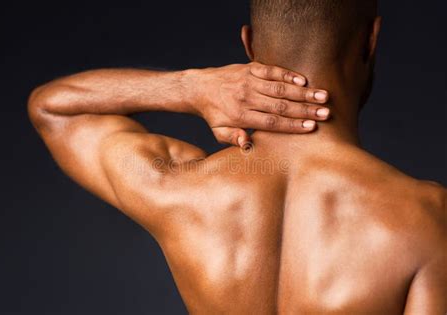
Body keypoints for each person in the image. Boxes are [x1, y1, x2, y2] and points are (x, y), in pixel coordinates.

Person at [28, 0, 446, 313]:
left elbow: (53, 107)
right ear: (370, 42)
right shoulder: (428, 219)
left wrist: (190, 88)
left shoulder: (181, 189)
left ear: (248, 44)